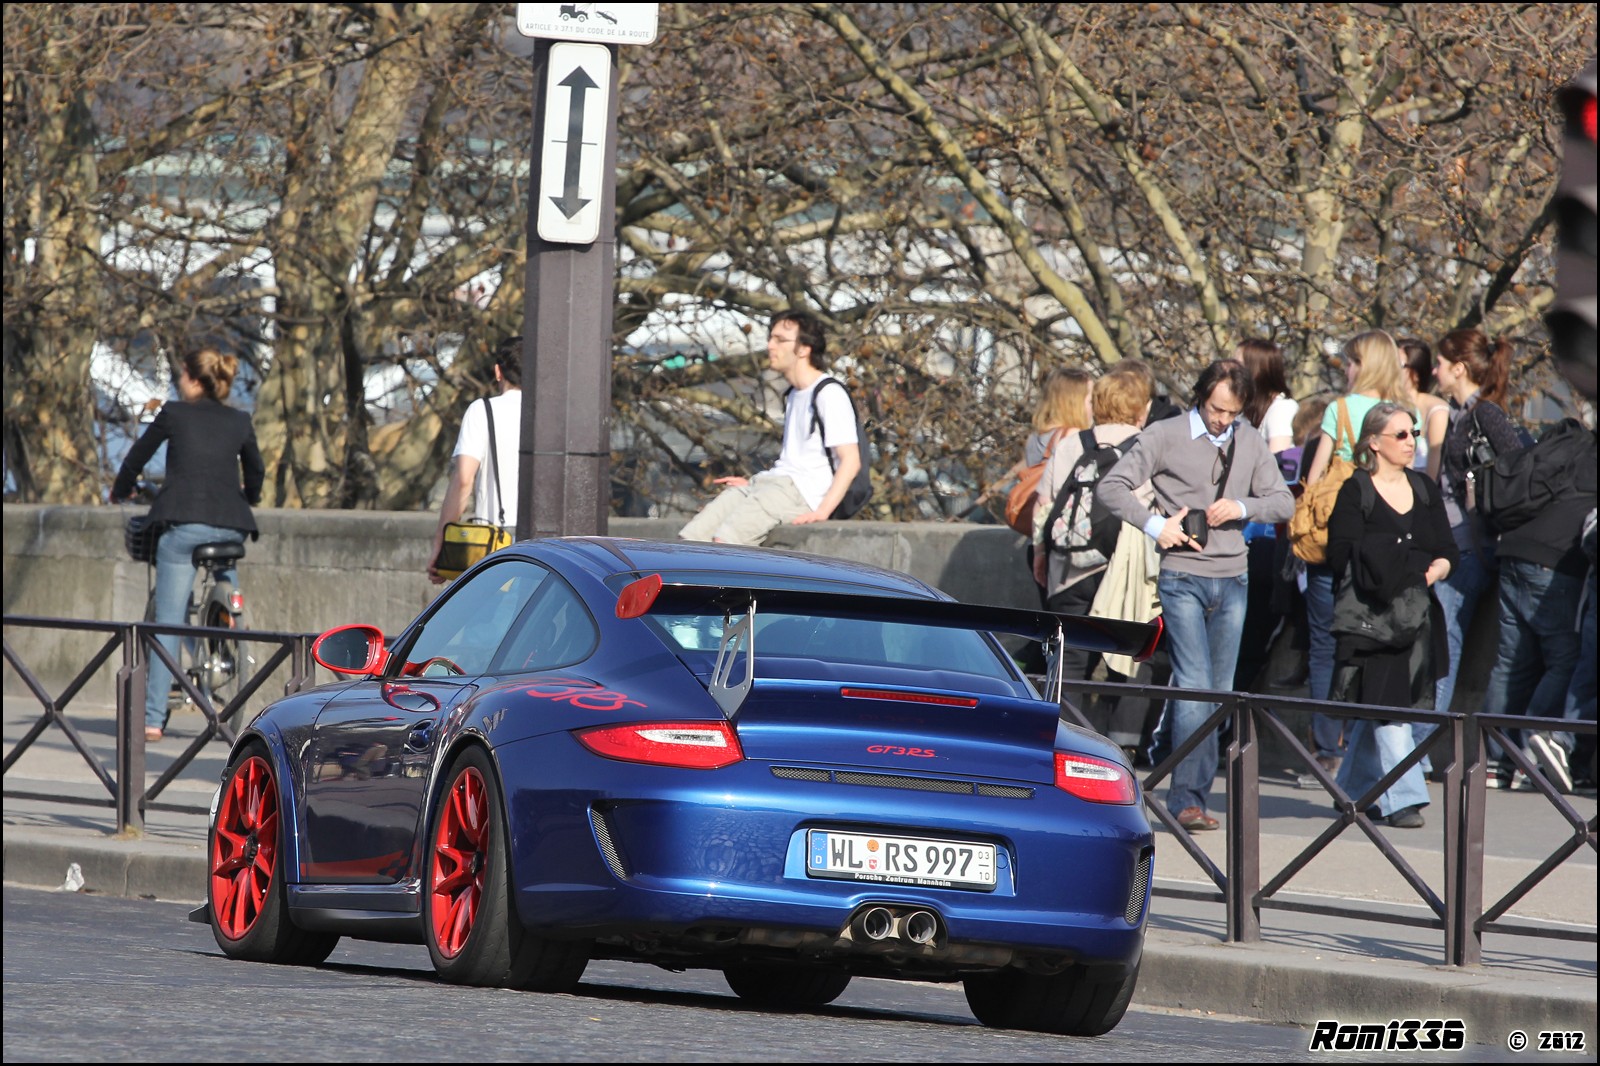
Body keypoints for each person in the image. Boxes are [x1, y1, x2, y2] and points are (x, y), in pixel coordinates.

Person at [1098, 360, 1295, 831]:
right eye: (1215, 408)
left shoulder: (1248, 438)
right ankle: (1185, 798)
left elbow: (1283, 500)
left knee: (1219, 692)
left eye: (1231, 411)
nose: (1222, 419)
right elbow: (1113, 486)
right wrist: (1156, 526)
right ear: (1200, 397)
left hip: (1234, 577)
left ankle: (1194, 793)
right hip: (1182, 575)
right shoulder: (1165, 434)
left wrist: (1244, 506)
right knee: (1193, 687)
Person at [110, 347, 264, 743]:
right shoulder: (239, 419)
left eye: (181, 375)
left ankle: (154, 719)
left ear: (194, 380)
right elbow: (257, 470)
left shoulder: (174, 414)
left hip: (184, 528)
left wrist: (121, 490)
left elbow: (136, 458)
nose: (179, 381)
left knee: (168, 622)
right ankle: (226, 639)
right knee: (225, 585)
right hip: (232, 528)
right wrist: (252, 496)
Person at [1325, 403, 1458, 828]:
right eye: (1400, 434)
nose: (1410, 441)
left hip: (1417, 616)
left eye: (1413, 432)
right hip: (1373, 620)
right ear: (1373, 442)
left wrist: (1434, 570)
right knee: (1391, 707)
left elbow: (1447, 551)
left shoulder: (1423, 487)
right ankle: (1405, 798)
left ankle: (1350, 792)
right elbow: (1340, 554)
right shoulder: (1356, 489)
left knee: (1383, 705)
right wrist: (1393, 563)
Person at [1300, 331, 1411, 782]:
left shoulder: (1340, 410)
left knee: (1325, 645)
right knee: (1379, 643)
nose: (1345, 369)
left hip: (1334, 540)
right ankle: (1374, 749)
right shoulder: (1408, 415)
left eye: (1350, 362)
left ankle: (1328, 747)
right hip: (1384, 542)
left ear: (1364, 364)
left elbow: (1314, 477)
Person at [1031, 365, 1152, 747]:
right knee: (1132, 659)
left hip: (1069, 567)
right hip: (1125, 570)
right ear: (1140, 409)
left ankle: (1063, 743)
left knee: (1070, 660)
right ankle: (1125, 747)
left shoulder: (1072, 443)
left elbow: (1043, 505)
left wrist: (1040, 554)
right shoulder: (1149, 444)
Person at [1480, 413, 1595, 791]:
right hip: (1556, 564)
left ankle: (1497, 763)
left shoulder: (1568, 445)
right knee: (1565, 659)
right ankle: (1537, 749)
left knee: (1510, 662)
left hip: (1513, 549)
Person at [679, 310, 861, 545]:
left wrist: (823, 511)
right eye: (770, 338)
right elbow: (795, 460)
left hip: (797, 492)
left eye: (780, 340)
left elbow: (850, 460)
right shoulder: (795, 394)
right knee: (689, 540)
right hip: (771, 484)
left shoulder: (829, 393)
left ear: (804, 349)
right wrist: (756, 482)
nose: (770, 346)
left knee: (725, 542)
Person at [1431, 329, 1520, 730]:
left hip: (1472, 547)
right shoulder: (1459, 414)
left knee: (1444, 641)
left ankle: (1425, 742)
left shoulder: (1484, 412)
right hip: (1454, 543)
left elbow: (1518, 464)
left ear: (1459, 368)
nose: (1434, 370)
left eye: (1440, 364)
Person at [429, 336, 523, 584]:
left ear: (498, 371)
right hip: (549, 549)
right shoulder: (555, 414)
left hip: (497, 546)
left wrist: (442, 545)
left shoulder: (483, 411)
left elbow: (463, 479)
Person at [1234, 340, 1299, 695]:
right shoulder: (1244, 411)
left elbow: (1281, 471)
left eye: (1238, 361)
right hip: (1241, 531)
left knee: (1252, 636)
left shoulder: (1280, 409)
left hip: (1266, 535)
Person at [1399, 336, 1449, 481]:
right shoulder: (1386, 405)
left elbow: (1435, 453)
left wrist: (1427, 496)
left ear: (1415, 372)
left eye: (1398, 364)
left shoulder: (1436, 409)